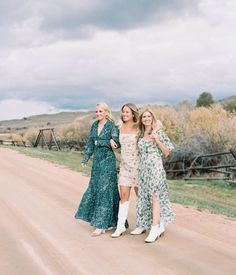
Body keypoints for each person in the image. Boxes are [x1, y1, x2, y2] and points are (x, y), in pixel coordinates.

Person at [74, 102, 120, 236]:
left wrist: (101, 142)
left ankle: (101, 225)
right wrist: (85, 158)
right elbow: (90, 143)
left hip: (108, 161)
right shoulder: (94, 125)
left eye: (101, 111)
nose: (98, 114)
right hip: (97, 163)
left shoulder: (111, 126)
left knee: (105, 191)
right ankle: (113, 221)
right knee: (98, 189)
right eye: (97, 111)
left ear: (106, 112)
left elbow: (116, 143)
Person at [131, 108, 176, 243]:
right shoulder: (140, 134)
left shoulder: (158, 133)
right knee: (144, 196)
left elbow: (167, 152)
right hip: (143, 169)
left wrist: (157, 140)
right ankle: (148, 223)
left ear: (152, 118)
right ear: (141, 119)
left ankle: (154, 228)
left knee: (155, 196)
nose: (146, 119)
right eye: (144, 117)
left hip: (155, 167)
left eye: (148, 116)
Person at [111, 103, 139, 238]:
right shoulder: (119, 126)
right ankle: (120, 226)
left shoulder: (139, 127)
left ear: (133, 113)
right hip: (125, 167)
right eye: (123, 112)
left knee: (141, 196)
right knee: (123, 196)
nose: (125, 114)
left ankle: (143, 224)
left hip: (138, 167)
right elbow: (116, 142)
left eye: (127, 112)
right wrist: (113, 143)